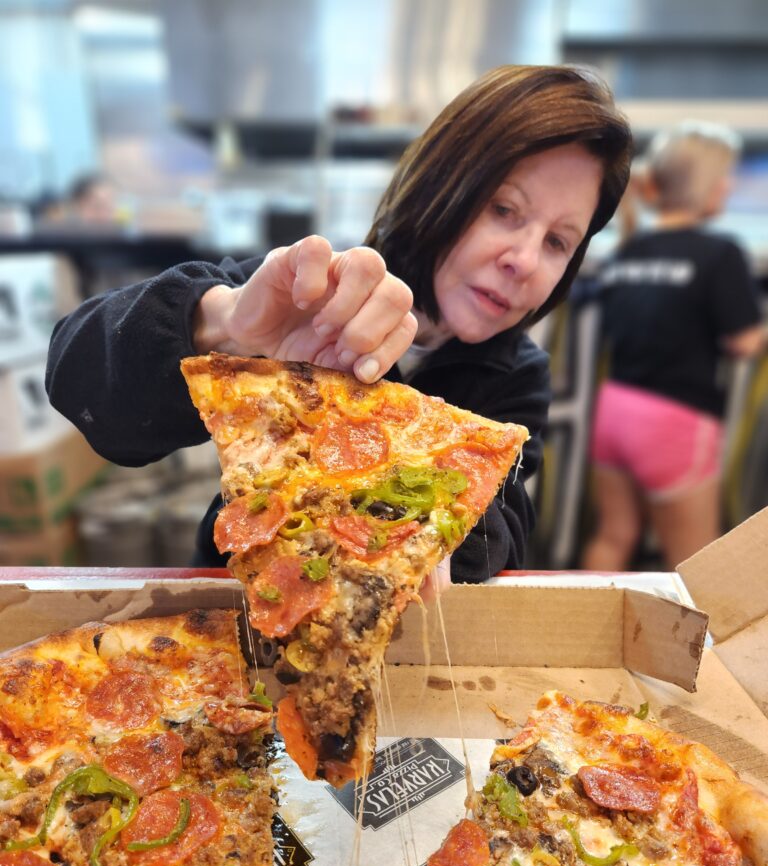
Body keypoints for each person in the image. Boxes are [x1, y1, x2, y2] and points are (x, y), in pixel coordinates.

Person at [47, 64, 632, 582]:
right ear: (441, 186)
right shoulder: (314, 291)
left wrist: (429, 536)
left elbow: (506, 526)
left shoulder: (516, 372)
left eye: (558, 241)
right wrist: (224, 326)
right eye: (504, 210)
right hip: (235, 633)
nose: (524, 261)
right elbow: (78, 376)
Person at [583, 121, 766, 572]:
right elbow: (743, 343)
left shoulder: (628, 250)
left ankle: (577, 635)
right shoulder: (720, 253)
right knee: (696, 563)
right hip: (674, 423)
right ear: (712, 188)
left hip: (615, 414)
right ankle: (706, 648)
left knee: (612, 537)